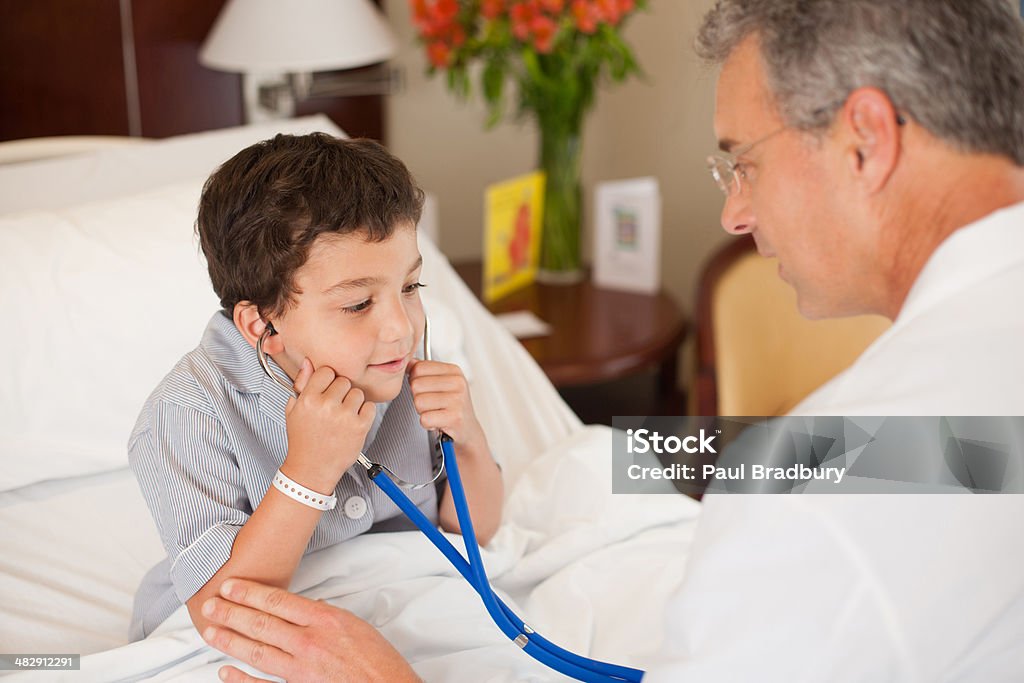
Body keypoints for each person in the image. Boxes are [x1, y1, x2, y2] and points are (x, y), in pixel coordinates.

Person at [200, 0, 1024, 680]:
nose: (736, 212)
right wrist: (650, 460)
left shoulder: (809, 521)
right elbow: (941, 455)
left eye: (743, 161)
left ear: (866, 139)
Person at [127, 133, 504, 641]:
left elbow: (473, 532)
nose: (401, 328)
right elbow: (223, 611)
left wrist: (470, 439)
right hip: (238, 636)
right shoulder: (187, 412)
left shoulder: (401, 373)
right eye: (357, 305)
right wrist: (308, 470)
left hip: (398, 598)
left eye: (410, 288)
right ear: (262, 325)